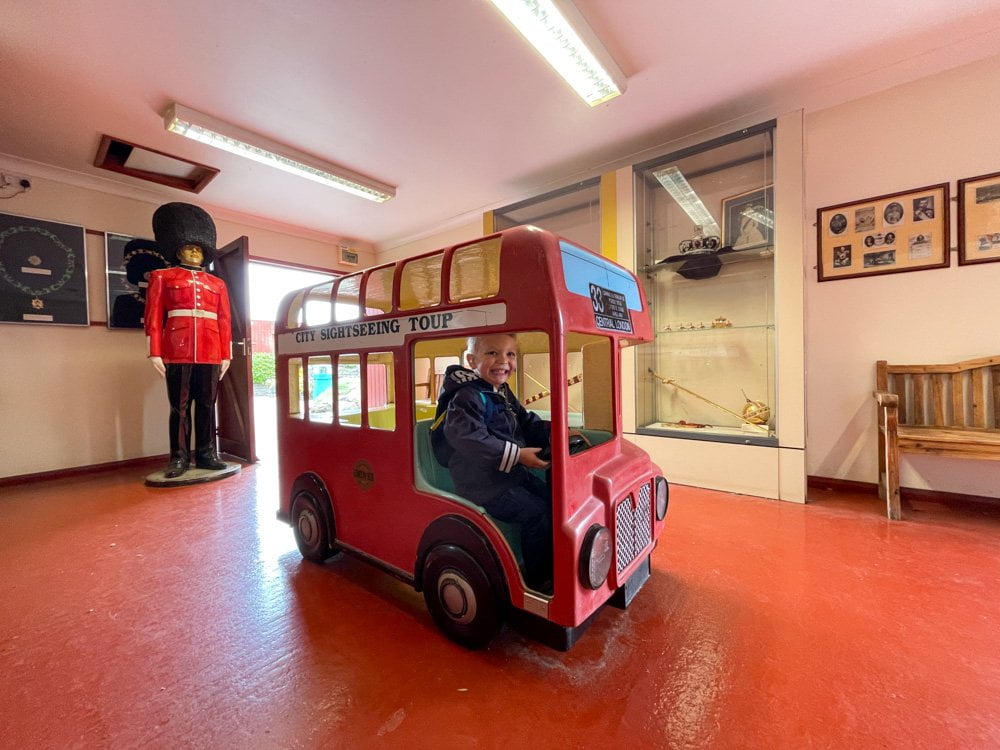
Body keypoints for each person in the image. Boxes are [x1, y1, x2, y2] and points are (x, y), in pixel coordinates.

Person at [435, 333, 553, 591]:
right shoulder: (466, 396)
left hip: (510, 476)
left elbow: (525, 421)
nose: (503, 361)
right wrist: (518, 455)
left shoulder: (502, 392)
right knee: (537, 514)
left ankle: (553, 560)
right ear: (472, 360)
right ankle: (538, 578)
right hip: (482, 484)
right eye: (492, 353)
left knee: (554, 499)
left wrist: (554, 432)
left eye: (510, 354)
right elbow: (468, 438)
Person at [144, 203, 232, 478]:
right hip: (177, 349)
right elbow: (153, 316)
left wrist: (226, 354)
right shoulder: (162, 277)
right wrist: (154, 352)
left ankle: (207, 454)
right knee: (179, 408)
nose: (195, 252)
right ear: (177, 249)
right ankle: (179, 459)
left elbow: (224, 320)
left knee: (207, 406)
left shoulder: (217, 283)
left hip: (211, 351)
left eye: (199, 248)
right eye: (189, 247)